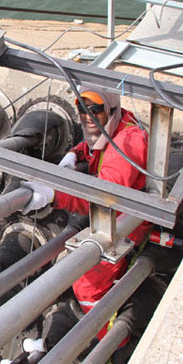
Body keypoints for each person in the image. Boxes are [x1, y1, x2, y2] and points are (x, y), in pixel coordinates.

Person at [22, 87, 150, 342]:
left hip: (128, 222)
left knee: (86, 282)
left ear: (111, 109)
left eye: (95, 109)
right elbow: (94, 146)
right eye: (81, 107)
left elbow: (103, 200)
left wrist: (54, 195)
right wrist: (75, 153)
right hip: (116, 211)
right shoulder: (117, 124)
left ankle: (112, 342)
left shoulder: (125, 144)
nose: (87, 115)